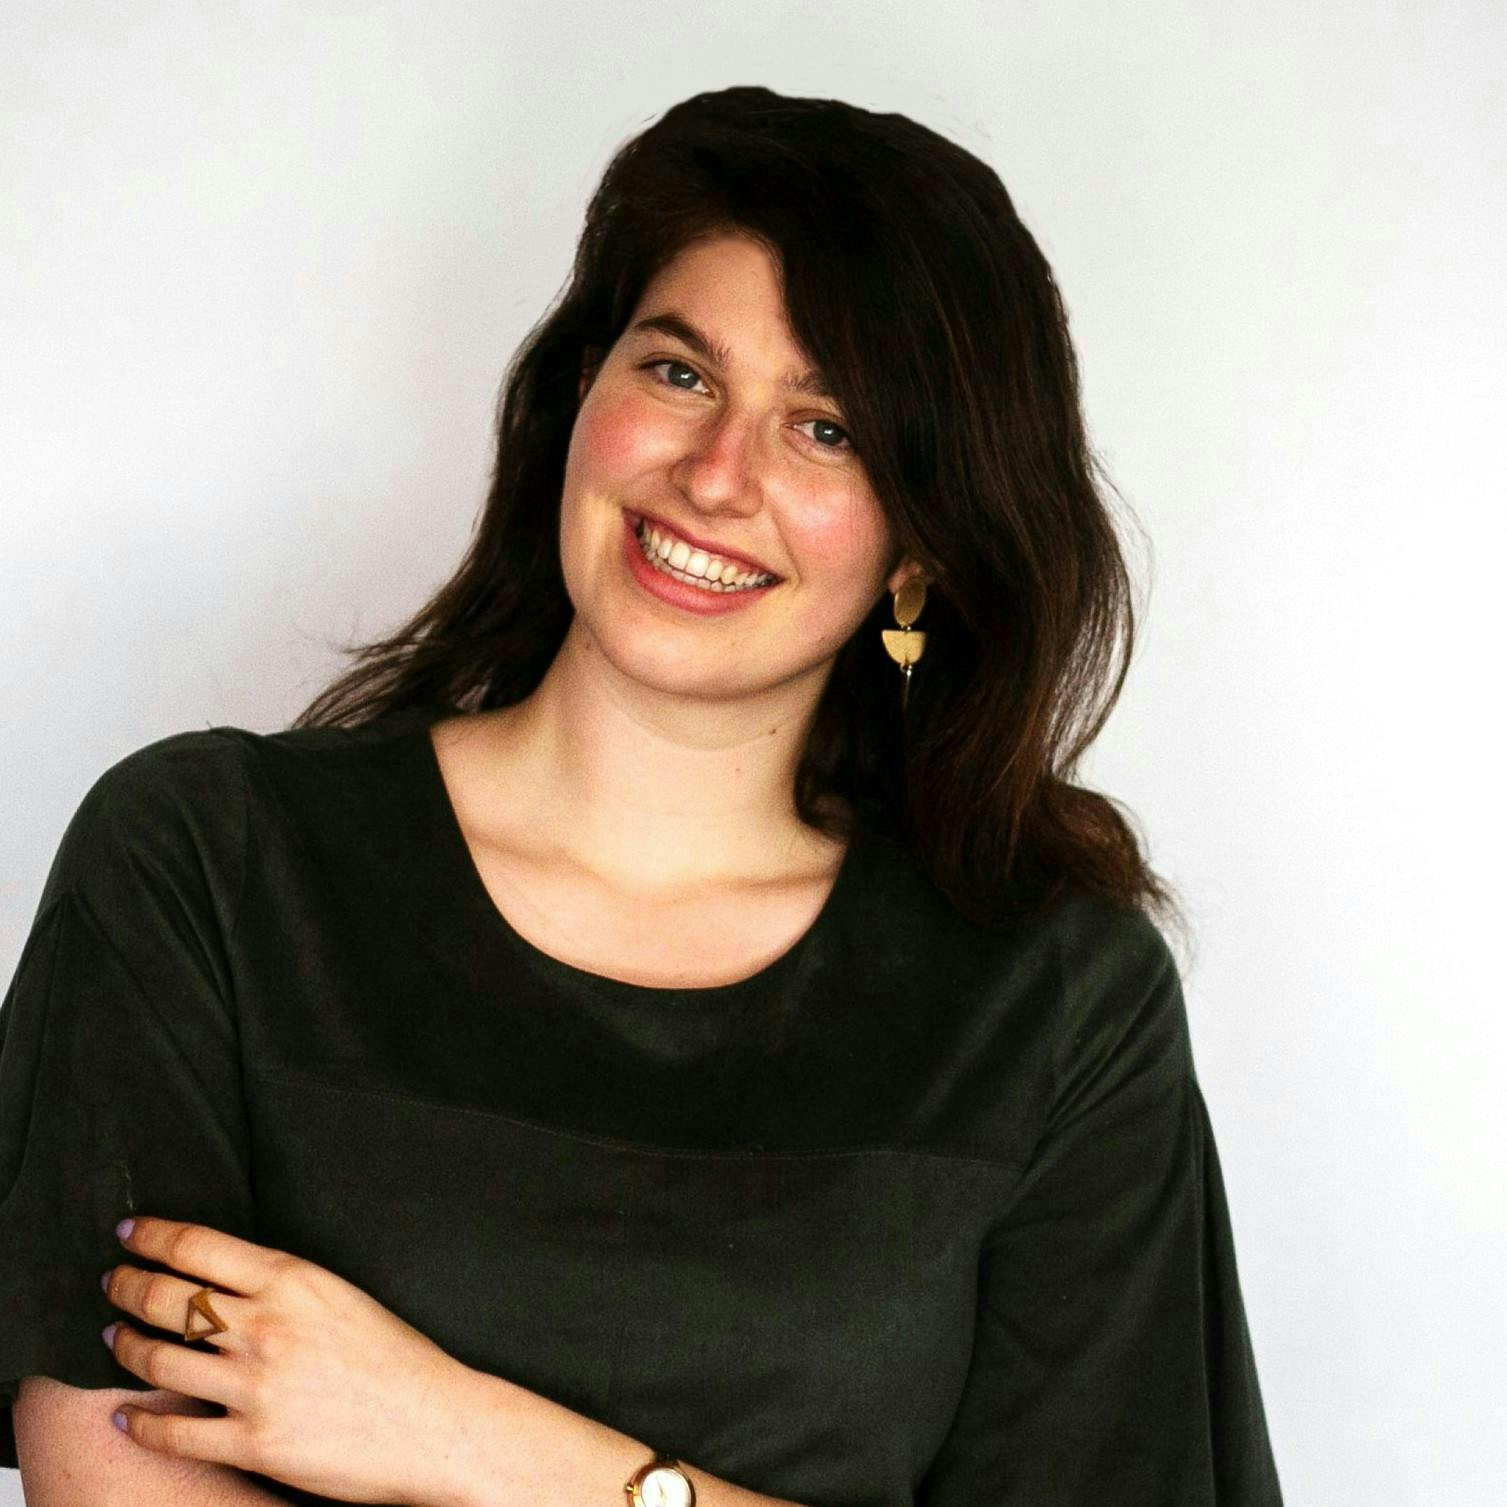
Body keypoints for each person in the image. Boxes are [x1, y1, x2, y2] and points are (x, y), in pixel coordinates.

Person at [0, 86, 1282, 1504]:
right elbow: (114, 1471)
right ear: (578, 399)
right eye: (680, 374)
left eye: (829, 431)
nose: (718, 476)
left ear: (922, 549)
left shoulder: (1054, 1004)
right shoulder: (205, 865)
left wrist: (468, 1439)